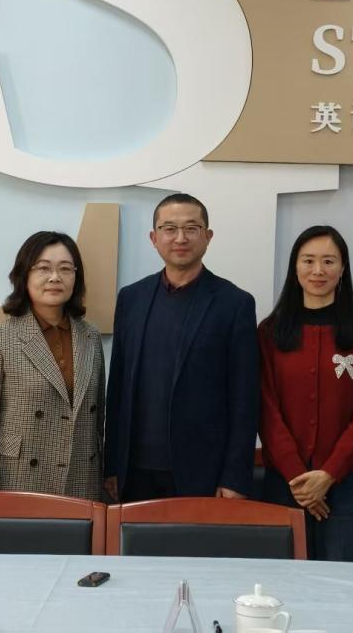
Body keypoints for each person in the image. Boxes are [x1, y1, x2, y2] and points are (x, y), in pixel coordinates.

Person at [104, 193, 258, 502]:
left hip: (203, 472)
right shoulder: (131, 298)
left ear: (207, 236)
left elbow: (245, 398)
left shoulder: (234, 303)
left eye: (191, 228)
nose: (180, 238)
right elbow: (117, 387)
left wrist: (235, 476)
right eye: (169, 228)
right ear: (154, 238)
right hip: (134, 471)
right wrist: (111, 465)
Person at [258, 225, 353, 561]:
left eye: (328, 261)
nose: (318, 270)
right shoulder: (269, 333)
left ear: (342, 269)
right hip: (284, 485)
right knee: (281, 584)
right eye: (308, 260)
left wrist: (328, 476)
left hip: (345, 488)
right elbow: (266, 409)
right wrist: (300, 481)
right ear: (294, 268)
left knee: (340, 585)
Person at [0, 231, 105, 499]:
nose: (55, 277)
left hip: (80, 483)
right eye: (43, 268)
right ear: (24, 275)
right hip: (18, 483)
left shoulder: (91, 337)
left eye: (65, 269)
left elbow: (97, 422)